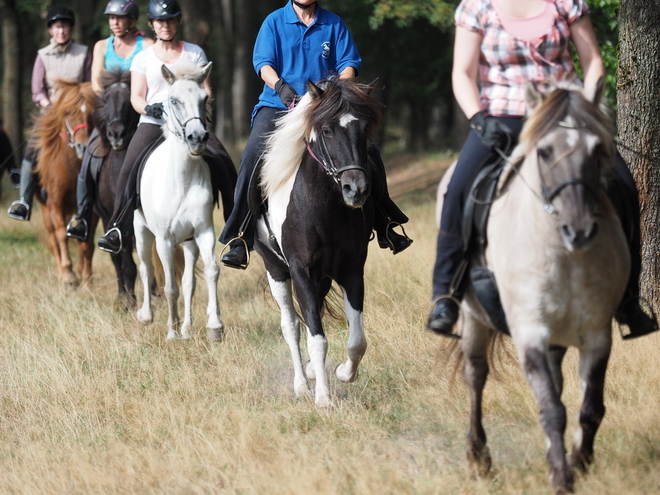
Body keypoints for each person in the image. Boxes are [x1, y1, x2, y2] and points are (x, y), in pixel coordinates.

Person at [426, 0, 658, 340]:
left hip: (564, 117)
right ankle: (446, 295)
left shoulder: (567, 2)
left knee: (623, 183)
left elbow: (592, 61)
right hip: (503, 117)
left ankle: (628, 302)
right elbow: (462, 73)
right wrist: (477, 118)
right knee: (458, 190)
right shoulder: (476, 7)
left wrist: (588, 108)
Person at [219, 0, 412, 270]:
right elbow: (263, 63)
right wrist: (280, 85)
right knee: (251, 155)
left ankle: (385, 222)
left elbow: (349, 64)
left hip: (324, 108)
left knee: (368, 153)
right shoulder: (274, 22)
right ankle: (239, 235)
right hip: (279, 105)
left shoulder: (334, 23)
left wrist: (338, 93)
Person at [96, 0, 236, 254]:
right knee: (129, 167)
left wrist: (198, 107)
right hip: (154, 122)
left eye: (170, 20)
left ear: (178, 22)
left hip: (191, 122)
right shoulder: (143, 58)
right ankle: (117, 228)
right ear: (151, 24)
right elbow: (137, 96)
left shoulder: (194, 53)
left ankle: (236, 232)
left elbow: (206, 90)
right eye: (160, 21)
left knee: (224, 162)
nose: (165, 25)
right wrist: (148, 108)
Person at [66, 0, 154, 241]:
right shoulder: (101, 46)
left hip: (139, 113)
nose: (114, 22)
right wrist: (112, 98)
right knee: (89, 159)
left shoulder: (146, 45)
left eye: (119, 18)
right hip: (111, 113)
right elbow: (95, 82)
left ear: (132, 21)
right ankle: (83, 216)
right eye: (111, 18)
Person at [7, 5, 92, 221]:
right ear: (50, 31)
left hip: (78, 112)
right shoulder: (42, 56)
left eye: (64, 27)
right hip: (52, 112)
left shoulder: (83, 53)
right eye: (56, 27)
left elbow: (89, 84)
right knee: (31, 149)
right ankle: (24, 201)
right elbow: (37, 91)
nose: (61, 31)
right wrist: (50, 107)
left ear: (71, 29)